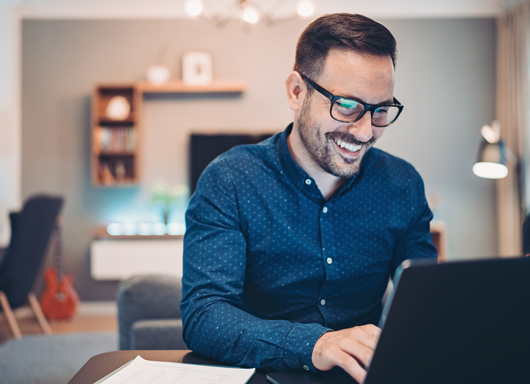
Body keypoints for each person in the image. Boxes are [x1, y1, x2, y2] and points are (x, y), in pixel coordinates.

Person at [181, 13, 437, 383]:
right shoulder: (229, 180)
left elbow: (423, 305)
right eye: (347, 105)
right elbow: (204, 316)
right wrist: (316, 345)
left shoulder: (403, 184)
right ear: (296, 92)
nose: (365, 132)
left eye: (380, 110)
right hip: (259, 375)